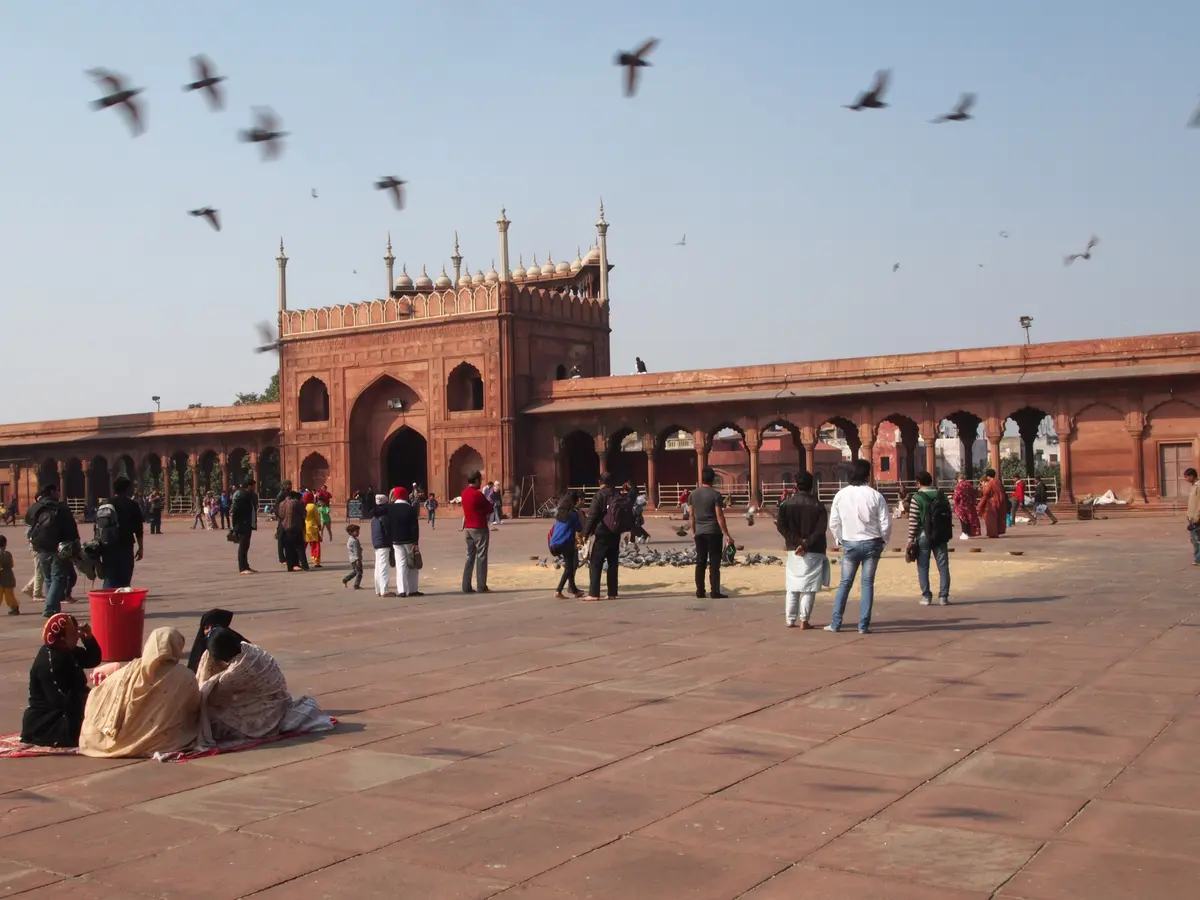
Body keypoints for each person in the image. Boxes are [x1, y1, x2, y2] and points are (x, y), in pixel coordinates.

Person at [193, 626, 331, 748]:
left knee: (211, 716)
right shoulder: (251, 649)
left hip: (266, 715)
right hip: (278, 699)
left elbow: (212, 697)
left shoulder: (234, 674)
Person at [78, 627, 201, 759]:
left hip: (120, 740)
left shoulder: (130, 670)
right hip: (166, 741)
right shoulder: (185, 676)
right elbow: (193, 710)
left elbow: (98, 694)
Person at [827, 458, 891, 634]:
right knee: (867, 584)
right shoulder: (875, 495)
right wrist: (884, 540)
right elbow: (885, 523)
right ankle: (863, 625)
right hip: (872, 542)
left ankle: (836, 623)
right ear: (867, 475)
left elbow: (834, 522)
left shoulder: (841, 495)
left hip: (850, 542)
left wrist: (839, 540)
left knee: (845, 583)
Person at [20, 614, 102, 747]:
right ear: (61, 638)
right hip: (47, 721)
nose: (77, 635)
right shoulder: (50, 662)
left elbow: (92, 659)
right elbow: (59, 699)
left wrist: (89, 638)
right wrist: (91, 703)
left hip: (69, 708)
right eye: (73, 633)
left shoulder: (66, 650)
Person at [775, 472, 829, 628]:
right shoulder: (818, 505)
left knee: (793, 586)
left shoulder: (787, 504)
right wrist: (805, 543)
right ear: (812, 485)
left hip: (794, 549)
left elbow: (781, 526)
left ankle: (790, 619)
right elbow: (821, 529)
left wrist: (797, 542)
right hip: (813, 549)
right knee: (809, 587)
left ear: (796, 485)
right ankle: (804, 620)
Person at [25, 483, 78, 618]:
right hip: (58, 547)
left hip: (41, 547)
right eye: (57, 491)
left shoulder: (36, 507)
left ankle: (54, 608)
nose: (59, 493)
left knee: (48, 578)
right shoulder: (61, 508)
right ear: (53, 492)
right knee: (58, 578)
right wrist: (75, 543)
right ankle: (50, 608)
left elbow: (29, 523)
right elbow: (71, 528)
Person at [907, 471, 952, 606]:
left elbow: (914, 521)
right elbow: (948, 516)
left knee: (923, 566)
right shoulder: (942, 496)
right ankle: (943, 596)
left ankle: (926, 596)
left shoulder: (917, 497)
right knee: (943, 566)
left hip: (923, 535)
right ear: (931, 481)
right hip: (940, 535)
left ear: (918, 483)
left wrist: (910, 539)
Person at [690, 467, 733, 599]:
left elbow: (691, 515)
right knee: (714, 563)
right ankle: (714, 591)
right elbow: (719, 515)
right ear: (713, 479)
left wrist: (694, 532)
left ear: (702, 478)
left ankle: (700, 591)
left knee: (700, 562)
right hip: (713, 532)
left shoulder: (693, 494)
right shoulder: (715, 495)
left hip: (700, 533)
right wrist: (726, 534)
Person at [581, 471, 625, 601]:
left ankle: (594, 593)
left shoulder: (599, 495)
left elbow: (593, 516)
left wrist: (586, 533)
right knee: (612, 563)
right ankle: (612, 592)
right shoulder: (618, 494)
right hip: (615, 533)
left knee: (596, 563)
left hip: (602, 533)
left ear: (600, 482)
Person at [98, 475, 144, 589]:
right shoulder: (132, 505)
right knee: (124, 580)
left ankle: (109, 604)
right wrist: (141, 547)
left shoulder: (106, 504)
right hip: (125, 545)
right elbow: (138, 529)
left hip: (108, 546)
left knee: (110, 577)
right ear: (127, 489)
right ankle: (122, 604)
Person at [386, 486, 422, 597]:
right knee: (412, 564)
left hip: (396, 540)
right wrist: (415, 542)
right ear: (406, 495)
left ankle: (401, 590)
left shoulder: (390, 509)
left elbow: (388, 526)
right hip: (409, 540)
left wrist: (390, 539)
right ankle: (412, 589)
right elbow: (414, 527)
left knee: (400, 565)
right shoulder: (410, 509)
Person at [461, 471, 492, 593]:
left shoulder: (464, 493)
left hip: (468, 528)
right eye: (480, 480)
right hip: (479, 527)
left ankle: (466, 586)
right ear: (476, 480)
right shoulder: (477, 495)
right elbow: (489, 507)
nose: (481, 482)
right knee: (481, 557)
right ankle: (481, 586)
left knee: (469, 556)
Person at [549, 490, 585, 599]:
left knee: (572, 563)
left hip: (554, 543)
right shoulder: (573, 514)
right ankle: (558, 591)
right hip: (565, 543)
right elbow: (579, 528)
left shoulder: (561, 512)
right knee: (570, 567)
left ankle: (573, 589)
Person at [231, 478, 259, 575]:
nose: (255, 488)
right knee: (243, 546)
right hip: (242, 524)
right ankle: (242, 568)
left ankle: (246, 566)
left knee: (246, 546)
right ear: (249, 486)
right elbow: (236, 511)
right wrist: (235, 525)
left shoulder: (247, 495)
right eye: (253, 486)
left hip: (247, 523)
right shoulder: (242, 495)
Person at [276, 490, 308, 571]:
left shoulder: (282, 503)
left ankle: (290, 566)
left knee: (288, 548)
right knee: (300, 547)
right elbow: (304, 513)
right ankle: (304, 565)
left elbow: (280, 515)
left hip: (285, 528)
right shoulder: (296, 502)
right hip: (296, 527)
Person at [370, 494, 392, 595]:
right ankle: (384, 590)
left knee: (378, 566)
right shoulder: (384, 517)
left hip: (376, 542)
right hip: (384, 542)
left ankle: (378, 589)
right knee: (383, 566)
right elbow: (387, 531)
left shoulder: (374, 517)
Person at [977, 468, 1007, 538]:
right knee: (999, 518)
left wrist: (981, 489)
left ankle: (992, 533)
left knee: (991, 519)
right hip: (1001, 502)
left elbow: (986, 493)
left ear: (988, 476)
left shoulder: (990, 483)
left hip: (993, 503)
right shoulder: (998, 482)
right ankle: (998, 531)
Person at [952, 472, 980, 538]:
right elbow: (974, 494)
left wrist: (955, 504)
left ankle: (964, 533)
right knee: (968, 519)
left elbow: (957, 496)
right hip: (969, 505)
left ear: (958, 479)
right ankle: (968, 532)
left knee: (963, 519)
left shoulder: (958, 486)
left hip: (961, 505)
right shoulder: (969, 485)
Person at [273, 480, 293, 566]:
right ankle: (282, 558)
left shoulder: (289, 494)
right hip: (283, 519)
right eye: (288, 485)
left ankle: (288, 557)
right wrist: (280, 517)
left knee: (287, 538)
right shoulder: (281, 495)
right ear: (284, 485)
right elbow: (276, 508)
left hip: (288, 519)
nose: (290, 486)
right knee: (281, 539)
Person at [303, 491, 322, 568]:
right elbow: (317, 518)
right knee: (315, 545)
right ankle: (316, 561)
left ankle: (300, 559)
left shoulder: (303, 505)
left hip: (304, 527)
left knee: (303, 545)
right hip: (312, 527)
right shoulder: (313, 506)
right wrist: (319, 525)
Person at [1, 534, 18, 615]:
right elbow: (11, 565)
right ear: (5, 544)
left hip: (1, 579)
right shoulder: (8, 554)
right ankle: (14, 607)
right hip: (8, 578)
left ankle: (14, 607)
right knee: (10, 595)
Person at [343, 524, 363, 589]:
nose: (358, 533)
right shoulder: (354, 541)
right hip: (356, 559)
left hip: (352, 558)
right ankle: (356, 585)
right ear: (351, 532)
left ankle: (346, 579)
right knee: (359, 573)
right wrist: (358, 560)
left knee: (355, 571)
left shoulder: (350, 539)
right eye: (356, 532)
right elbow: (356, 551)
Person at [1186, 468, 1200, 566]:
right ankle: (1197, 558)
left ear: (1192, 476)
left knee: (1197, 539)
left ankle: (1198, 559)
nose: (1186, 479)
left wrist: (1197, 516)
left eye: (1187, 477)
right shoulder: (1193, 486)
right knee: (1194, 540)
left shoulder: (1199, 486)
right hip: (1191, 516)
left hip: (1196, 517)